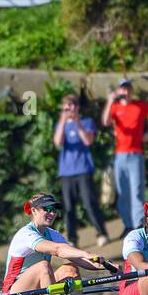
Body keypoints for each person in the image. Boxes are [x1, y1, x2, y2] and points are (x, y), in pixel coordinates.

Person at [2, 193, 110, 294]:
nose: (52, 213)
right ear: (34, 210)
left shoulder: (53, 234)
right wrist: (86, 253)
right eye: (47, 209)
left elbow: (79, 259)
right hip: (14, 292)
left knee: (70, 269)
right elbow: (58, 250)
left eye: (54, 210)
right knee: (43, 266)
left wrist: (108, 266)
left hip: (38, 290)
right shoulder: (25, 234)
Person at [53, 92, 110, 246]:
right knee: (69, 206)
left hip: (83, 169)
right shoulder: (61, 124)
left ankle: (102, 233)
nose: (68, 111)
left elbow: (88, 141)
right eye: (65, 108)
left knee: (90, 203)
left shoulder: (86, 121)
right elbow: (58, 142)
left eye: (71, 107)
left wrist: (77, 122)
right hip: (66, 172)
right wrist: (63, 121)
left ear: (77, 108)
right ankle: (72, 238)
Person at [101, 78, 148, 235]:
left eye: (127, 88)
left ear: (131, 90)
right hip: (120, 155)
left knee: (137, 190)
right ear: (119, 91)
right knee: (123, 192)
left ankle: (138, 224)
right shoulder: (115, 107)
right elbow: (105, 121)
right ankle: (128, 224)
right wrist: (110, 100)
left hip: (136, 153)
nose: (125, 91)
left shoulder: (140, 106)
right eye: (122, 89)